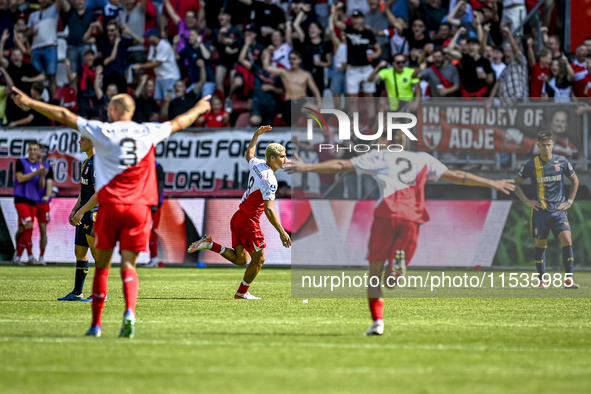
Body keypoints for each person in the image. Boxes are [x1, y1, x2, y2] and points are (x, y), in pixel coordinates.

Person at [10, 86, 212, 338]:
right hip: (138, 209)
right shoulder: (147, 130)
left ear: (115, 110)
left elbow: (64, 114)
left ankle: (96, 325)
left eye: (108, 107)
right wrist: (200, 108)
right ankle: (129, 313)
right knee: (129, 265)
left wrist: (30, 101)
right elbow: (180, 122)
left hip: (110, 207)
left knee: (103, 267)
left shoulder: (103, 131)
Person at [288, 130, 515, 336]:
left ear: (387, 141)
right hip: (412, 219)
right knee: (392, 279)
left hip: (386, 215)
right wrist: (491, 183)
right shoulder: (423, 160)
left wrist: (306, 167)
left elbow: (340, 166)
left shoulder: (380, 157)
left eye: (379, 140)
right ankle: (398, 263)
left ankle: (378, 323)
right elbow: (456, 175)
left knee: (374, 273)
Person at [188, 126, 291, 300]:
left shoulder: (258, 164)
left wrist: (256, 135)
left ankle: (210, 244)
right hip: (249, 221)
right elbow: (269, 209)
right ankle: (241, 293)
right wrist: (282, 232)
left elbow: (249, 154)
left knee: (241, 260)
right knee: (259, 260)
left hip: (238, 217)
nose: (285, 160)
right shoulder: (270, 180)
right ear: (272, 158)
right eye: (282, 157)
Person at [513, 131, 580, 289]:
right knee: (541, 243)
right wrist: (527, 201)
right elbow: (515, 183)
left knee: (567, 239)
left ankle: (569, 279)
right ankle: (542, 281)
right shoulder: (531, 165)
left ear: (553, 145)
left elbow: (575, 180)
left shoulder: (561, 161)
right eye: (543, 145)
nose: (546, 148)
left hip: (558, 211)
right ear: (538, 145)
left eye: (549, 145)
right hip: (540, 211)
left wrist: (569, 201)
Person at [58, 136, 99, 300]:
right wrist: (75, 209)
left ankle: (100, 294)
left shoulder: (97, 163)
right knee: (80, 252)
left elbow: (99, 194)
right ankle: (77, 292)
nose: (79, 142)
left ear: (92, 142)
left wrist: (82, 212)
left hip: (93, 213)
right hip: (84, 212)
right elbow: (85, 191)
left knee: (98, 255)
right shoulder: (86, 162)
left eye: (82, 140)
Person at [262, 47, 321, 126]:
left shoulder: (306, 75)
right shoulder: (284, 72)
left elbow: (315, 90)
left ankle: (311, 134)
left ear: (299, 60)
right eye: (290, 59)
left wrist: (319, 104)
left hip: (302, 101)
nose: (291, 61)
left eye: (294, 59)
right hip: (289, 103)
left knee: (315, 110)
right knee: (293, 127)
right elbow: (266, 67)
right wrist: (268, 53)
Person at [13, 142, 48, 266]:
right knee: (28, 226)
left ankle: (17, 257)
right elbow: (20, 178)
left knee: (24, 228)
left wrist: (42, 175)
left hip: (33, 200)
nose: (33, 151)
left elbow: (41, 186)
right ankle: (31, 256)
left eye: (35, 149)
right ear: (27, 150)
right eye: (31, 149)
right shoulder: (21, 162)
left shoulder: (40, 166)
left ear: (39, 152)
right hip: (21, 199)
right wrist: (37, 172)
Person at [133, 28, 181, 104]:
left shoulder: (164, 46)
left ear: (156, 37)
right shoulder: (153, 47)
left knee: (169, 100)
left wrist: (141, 66)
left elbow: (158, 63)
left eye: (149, 37)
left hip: (170, 76)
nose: (148, 39)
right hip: (160, 77)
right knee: (157, 100)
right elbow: (150, 61)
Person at [27, 0, 64, 95]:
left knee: (52, 77)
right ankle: (38, 101)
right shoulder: (32, 15)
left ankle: (55, 103)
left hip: (50, 48)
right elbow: (26, 33)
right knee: (37, 78)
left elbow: (60, 2)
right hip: (36, 49)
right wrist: (31, 32)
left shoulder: (53, 10)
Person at [34, 144, 54, 265]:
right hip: (29, 201)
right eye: (39, 151)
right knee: (25, 228)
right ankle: (24, 255)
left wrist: (47, 195)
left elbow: (49, 184)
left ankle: (41, 256)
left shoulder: (47, 167)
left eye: (42, 151)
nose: (40, 153)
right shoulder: (27, 165)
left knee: (43, 229)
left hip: (42, 203)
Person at [146, 161, 164, 267]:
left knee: (151, 230)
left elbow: (160, 183)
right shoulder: (140, 164)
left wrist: (156, 202)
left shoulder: (156, 166)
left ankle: (154, 259)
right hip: (143, 204)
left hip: (153, 205)